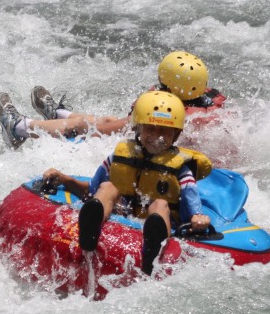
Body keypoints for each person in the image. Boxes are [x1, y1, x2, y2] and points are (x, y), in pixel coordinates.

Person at [41, 90, 212, 275]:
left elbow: (193, 206)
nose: (156, 135)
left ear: (176, 135)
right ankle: (90, 234)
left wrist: (197, 218)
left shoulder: (181, 169)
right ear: (138, 128)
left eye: (164, 130)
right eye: (150, 128)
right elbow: (91, 192)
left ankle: (152, 252)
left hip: (159, 219)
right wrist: (66, 180)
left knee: (160, 204)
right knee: (107, 187)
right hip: (123, 211)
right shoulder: (119, 156)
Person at [0, 51, 225, 149]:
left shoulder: (161, 110)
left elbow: (105, 131)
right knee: (110, 119)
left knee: (89, 126)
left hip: (149, 153)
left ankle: (18, 128)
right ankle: (58, 114)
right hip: (172, 151)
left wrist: (80, 137)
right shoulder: (208, 107)